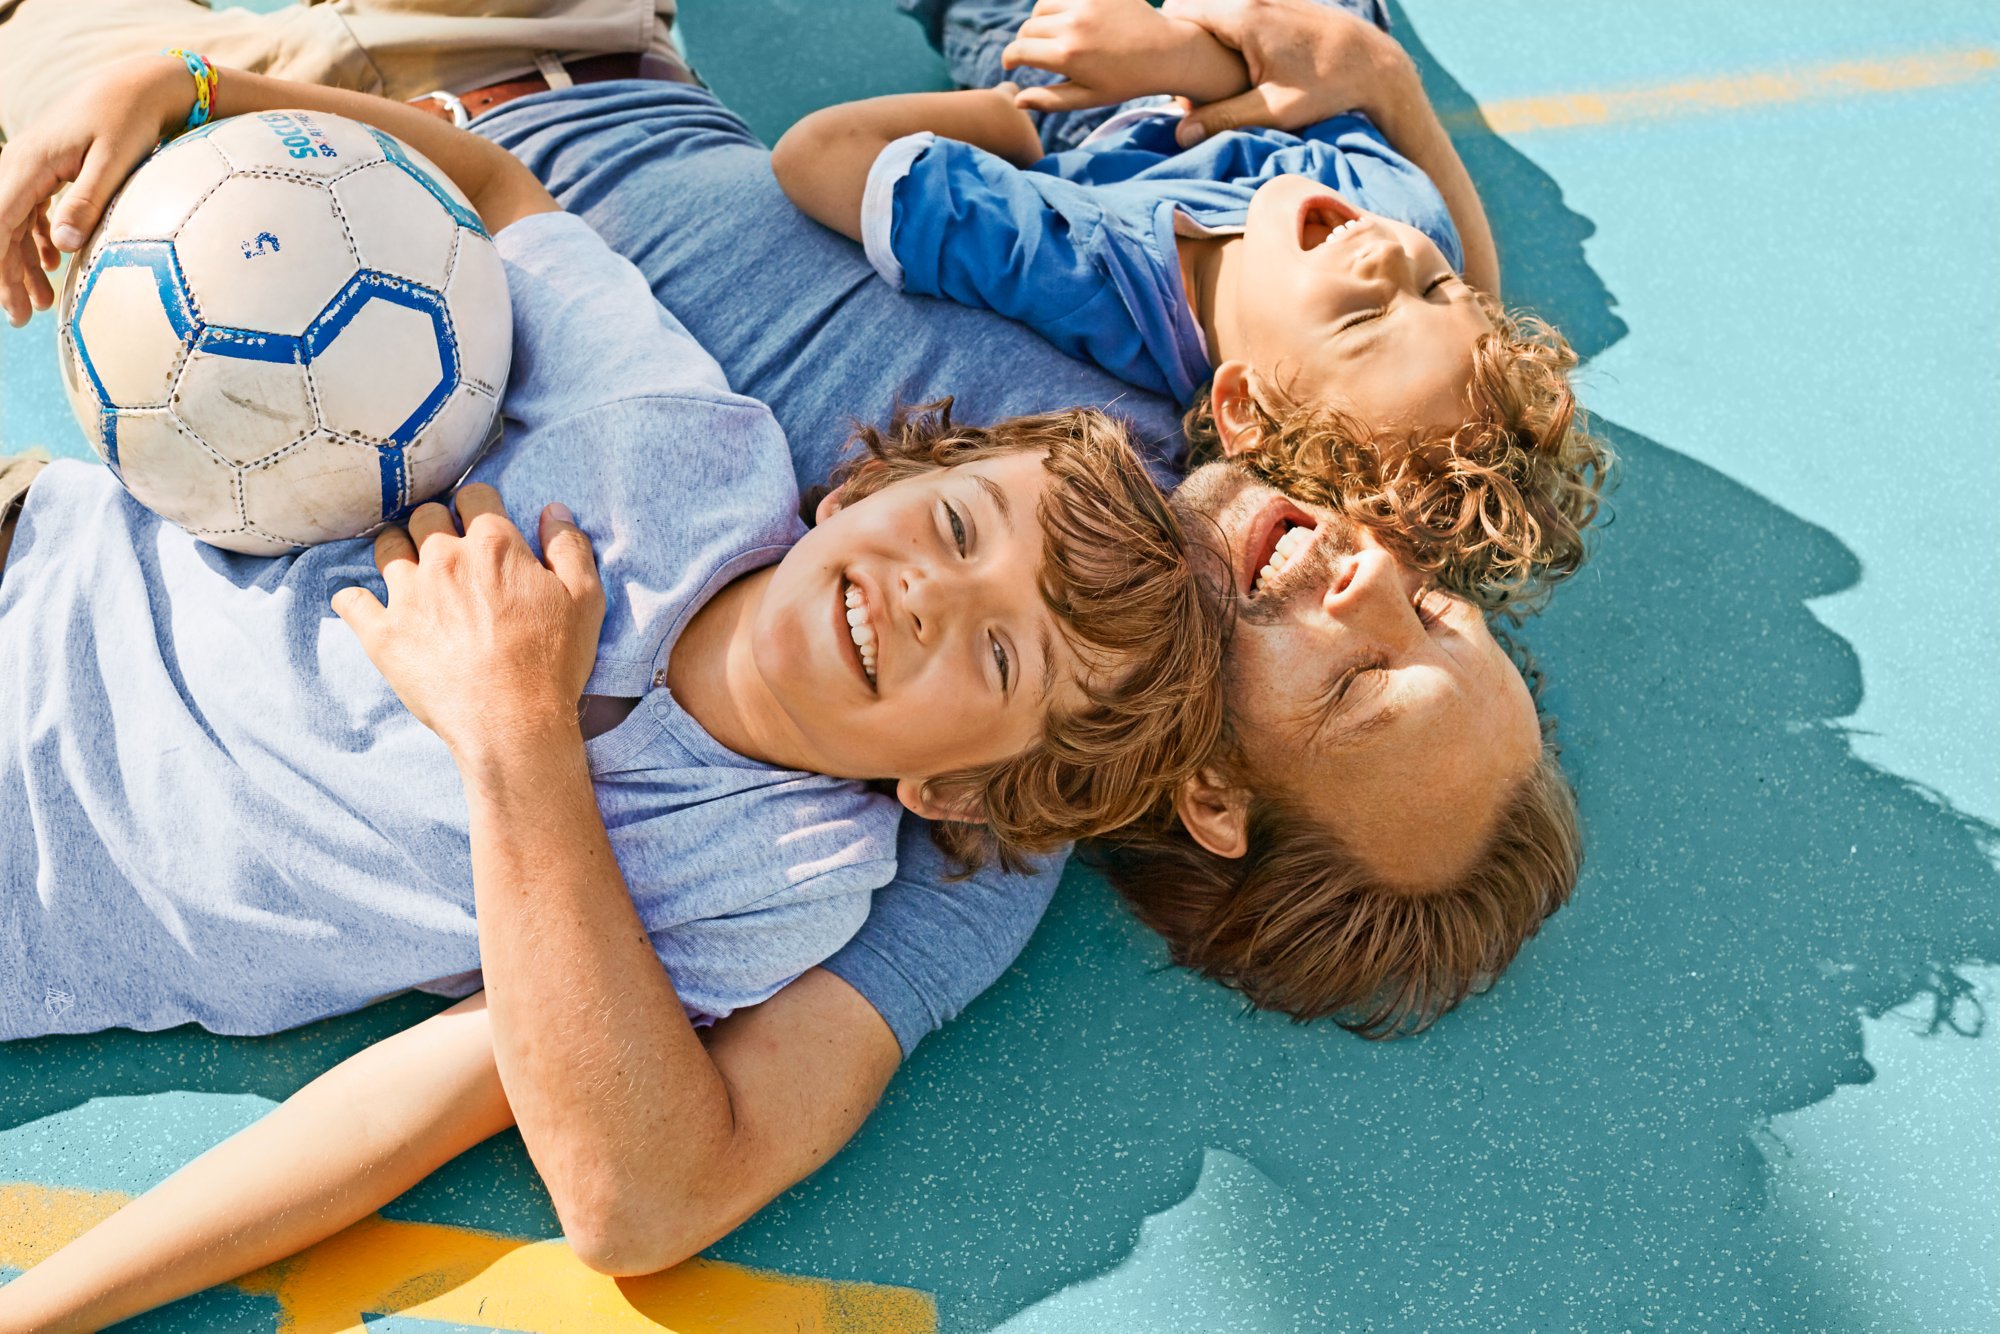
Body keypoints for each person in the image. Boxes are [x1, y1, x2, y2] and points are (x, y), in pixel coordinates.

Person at [0, 3, 1573, 1326]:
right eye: (1439, 609)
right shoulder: (1284, 410)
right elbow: (1434, 273)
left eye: (1364, 676)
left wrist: (515, 738)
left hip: (258, 284)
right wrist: (1374, 82)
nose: (1374, 575)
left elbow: (646, 1182)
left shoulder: (950, 840)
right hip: (515, 61)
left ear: (1217, 797)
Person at [774, 0, 1608, 610]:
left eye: (1365, 317)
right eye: (1438, 288)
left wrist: (1011, 126)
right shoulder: (1400, 212)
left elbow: (818, 155)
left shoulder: (1084, 272)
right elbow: (1327, 81)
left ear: (1242, 402)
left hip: (1057, 71)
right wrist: (1180, 56)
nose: (1392, 255)